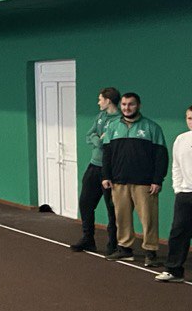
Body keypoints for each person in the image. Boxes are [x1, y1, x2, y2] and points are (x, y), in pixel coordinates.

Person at [101, 92, 168, 267]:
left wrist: (157, 180)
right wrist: (106, 176)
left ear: (139, 106)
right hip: (119, 181)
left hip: (144, 183)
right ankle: (125, 249)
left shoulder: (152, 127)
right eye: (124, 104)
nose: (127, 108)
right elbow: (106, 154)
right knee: (121, 217)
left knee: (149, 219)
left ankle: (150, 252)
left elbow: (161, 156)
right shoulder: (113, 127)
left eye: (131, 104)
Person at [71, 87, 122, 254]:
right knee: (85, 203)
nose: (98, 102)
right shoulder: (100, 116)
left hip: (111, 170)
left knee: (112, 209)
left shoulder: (120, 120)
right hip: (94, 166)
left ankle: (113, 244)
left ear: (108, 100)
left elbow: (111, 143)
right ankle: (88, 239)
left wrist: (102, 140)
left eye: (100, 99)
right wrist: (97, 140)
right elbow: (89, 135)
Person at [156, 105, 192, 283]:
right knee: (178, 232)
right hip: (185, 194)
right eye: (189, 118)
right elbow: (176, 166)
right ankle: (174, 270)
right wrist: (178, 188)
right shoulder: (181, 139)